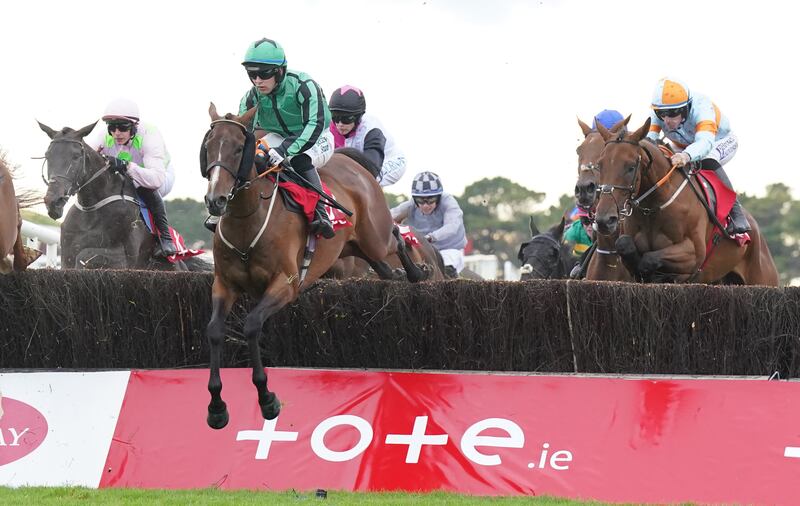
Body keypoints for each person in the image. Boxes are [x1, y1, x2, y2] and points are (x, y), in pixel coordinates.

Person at [215, 37, 334, 238]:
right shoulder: (251, 97)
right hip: (279, 136)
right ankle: (227, 206)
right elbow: (245, 136)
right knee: (252, 158)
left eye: (263, 74)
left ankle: (321, 213)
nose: (258, 80)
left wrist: (285, 151)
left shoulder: (304, 85)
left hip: (316, 136)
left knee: (299, 159)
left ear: (279, 71)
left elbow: (316, 123)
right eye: (252, 74)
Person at [646, 77, 749, 234]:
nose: (667, 120)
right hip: (683, 146)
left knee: (706, 160)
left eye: (673, 113)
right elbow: (649, 141)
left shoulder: (702, 106)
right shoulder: (658, 112)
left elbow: (705, 143)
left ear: (686, 107)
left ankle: (736, 213)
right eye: (661, 114)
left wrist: (686, 156)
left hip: (717, 141)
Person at [86, 98, 178, 258]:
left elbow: (156, 180)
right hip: (127, 175)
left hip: (159, 176)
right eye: (112, 128)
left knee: (141, 186)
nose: (116, 133)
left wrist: (127, 166)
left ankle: (165, 238)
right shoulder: (104, 136)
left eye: (122, 127)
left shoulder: (149, 134)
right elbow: (86, 158)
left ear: (134, 127)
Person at [391, 171, 467, 278]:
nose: (425, 205)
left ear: (439, 197)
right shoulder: (411, 204)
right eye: (420, 200)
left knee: (447, 269)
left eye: (431, 199)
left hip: (449, 249)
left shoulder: (449, 202)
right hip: (424, 248)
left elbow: (452, 226)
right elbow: (391, 215)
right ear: (414, 198)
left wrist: (431, 237)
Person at [328, 85, 406, 187]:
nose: (340, 124)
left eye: (346, 119)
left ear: (359, 116)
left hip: (388, 161)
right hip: (359, 159)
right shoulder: (330, 127)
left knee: (363, 181)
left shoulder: (372, 129)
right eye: (335, 117)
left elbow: (371, 170)